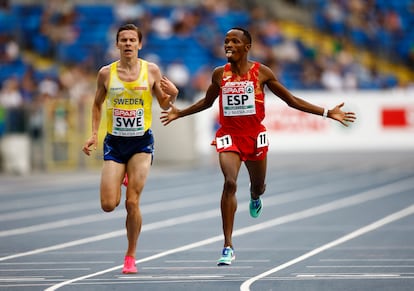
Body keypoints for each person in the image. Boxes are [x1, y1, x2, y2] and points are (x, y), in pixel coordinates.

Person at [160, 27, 356, 266]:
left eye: (234, 41)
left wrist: (327, 112)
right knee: (230, 183)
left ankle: (255, 196)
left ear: (247, 47)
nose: (228, 45)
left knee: (258, 186)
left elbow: (291, 100)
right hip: (229, 136)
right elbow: (207, 101)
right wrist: (180, 113)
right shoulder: (219, 74)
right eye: (226, 41)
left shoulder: (261, 72)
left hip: (254, 138)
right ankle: (228, 246)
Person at [82, 23, 178, 274]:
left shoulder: (151, 71)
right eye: (123, 40)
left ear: (139, 44)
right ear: (117, 44)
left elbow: (165, 104)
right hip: (115, 143)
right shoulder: (105, 73)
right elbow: (96, 104)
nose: (127, 44)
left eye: (132, 40)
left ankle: (130, 256)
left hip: (140, 143)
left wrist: (174, 95)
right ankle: (122, 175)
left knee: (132, 202)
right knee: (108, 204)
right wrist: (94, 133)